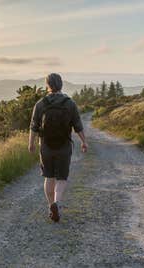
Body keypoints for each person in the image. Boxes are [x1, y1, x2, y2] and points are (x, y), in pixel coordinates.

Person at [28, 73, 87, 222]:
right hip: (64, 146)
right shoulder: (70, 103)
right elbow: (77, 125)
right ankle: (57, 203)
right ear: (61, 84)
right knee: (61, 178)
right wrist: (83, 141)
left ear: (47, 85)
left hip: (46, 146)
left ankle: (50, 206)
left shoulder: (41, 103)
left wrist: (31, 143)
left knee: (49, 177)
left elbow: (34, 126)